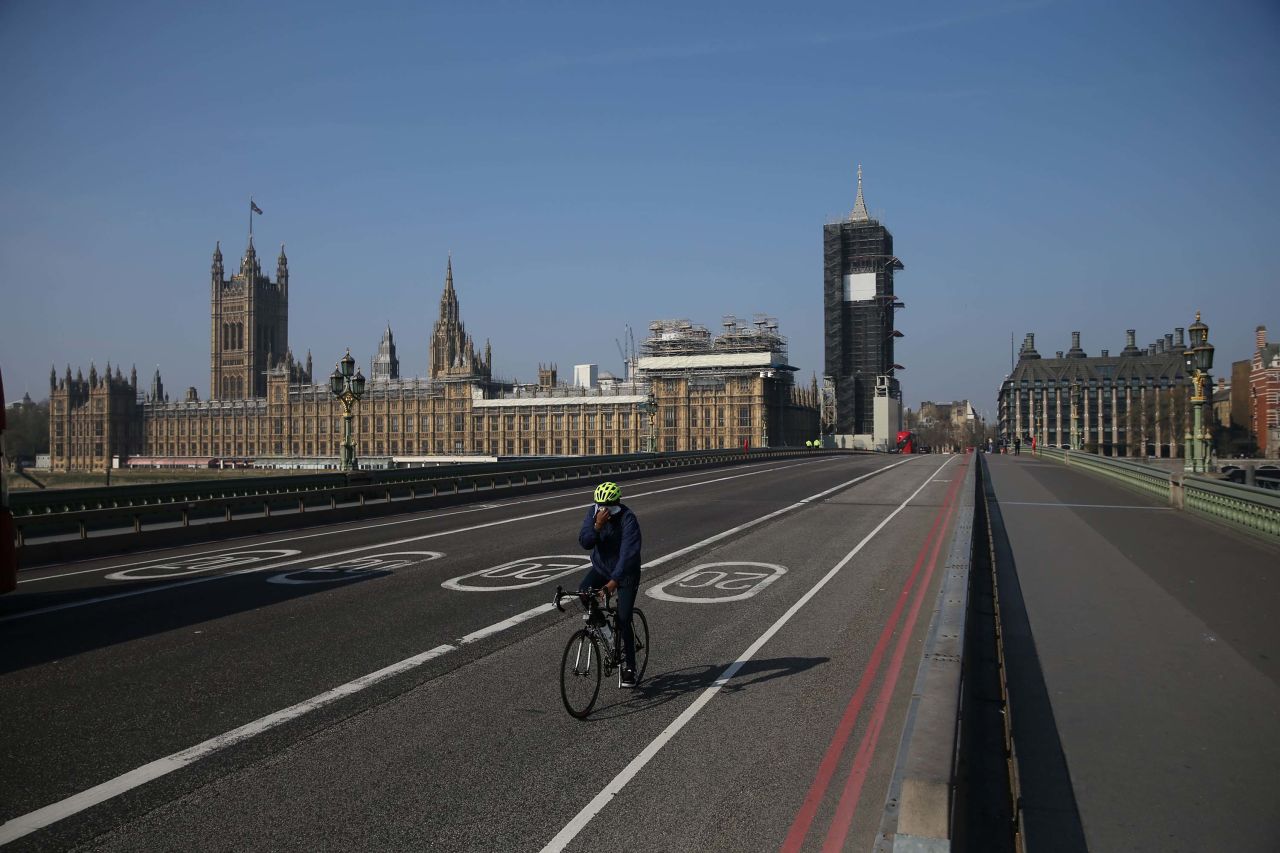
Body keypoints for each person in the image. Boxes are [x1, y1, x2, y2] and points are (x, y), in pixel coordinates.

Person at [578, 481, 642, 687]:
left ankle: (629, 666)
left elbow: (628, 554)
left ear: (617, 503)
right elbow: (585, 542)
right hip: (602, 568)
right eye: (600, 506)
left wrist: (614, 582)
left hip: (626, 574)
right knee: (583, 593)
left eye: (609, 507)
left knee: (624, 619)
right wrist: (597, 525)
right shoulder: (593, 513)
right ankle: (604, 628)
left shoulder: (627, 518)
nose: (604, 511)